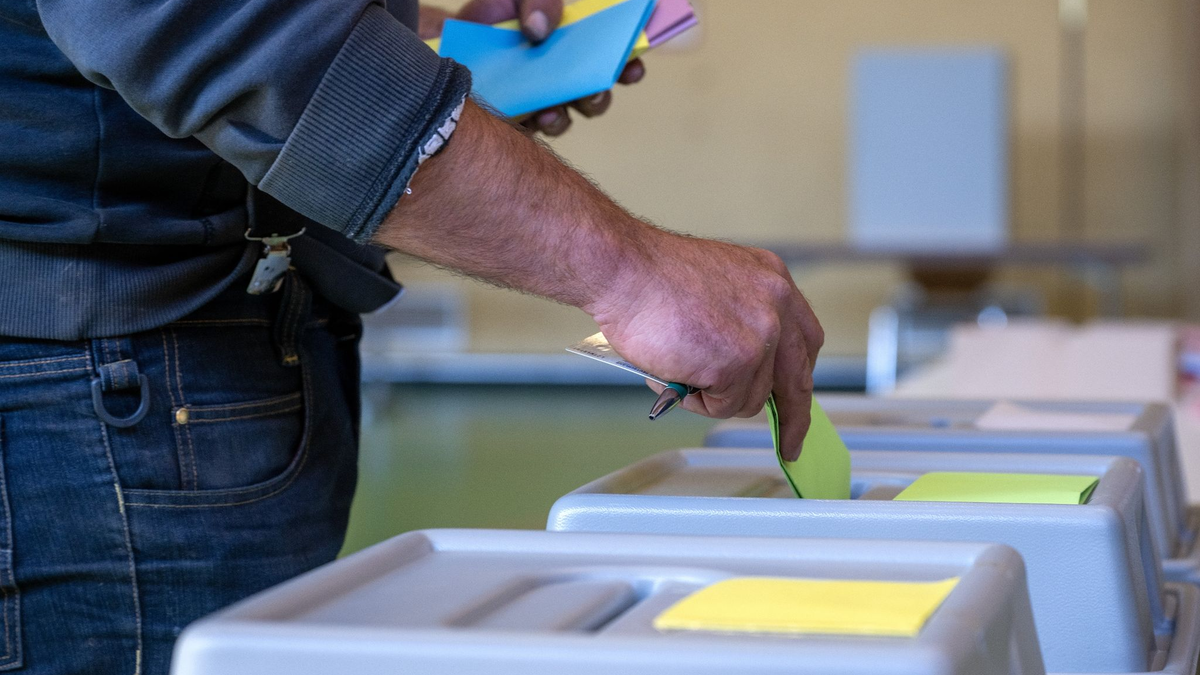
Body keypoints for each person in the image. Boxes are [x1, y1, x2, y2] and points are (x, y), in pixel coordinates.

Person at [0, 0, 824, 672]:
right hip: (95, 397)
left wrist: (413, 37)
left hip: (178, 360)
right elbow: (221, 25)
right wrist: (635, 271)